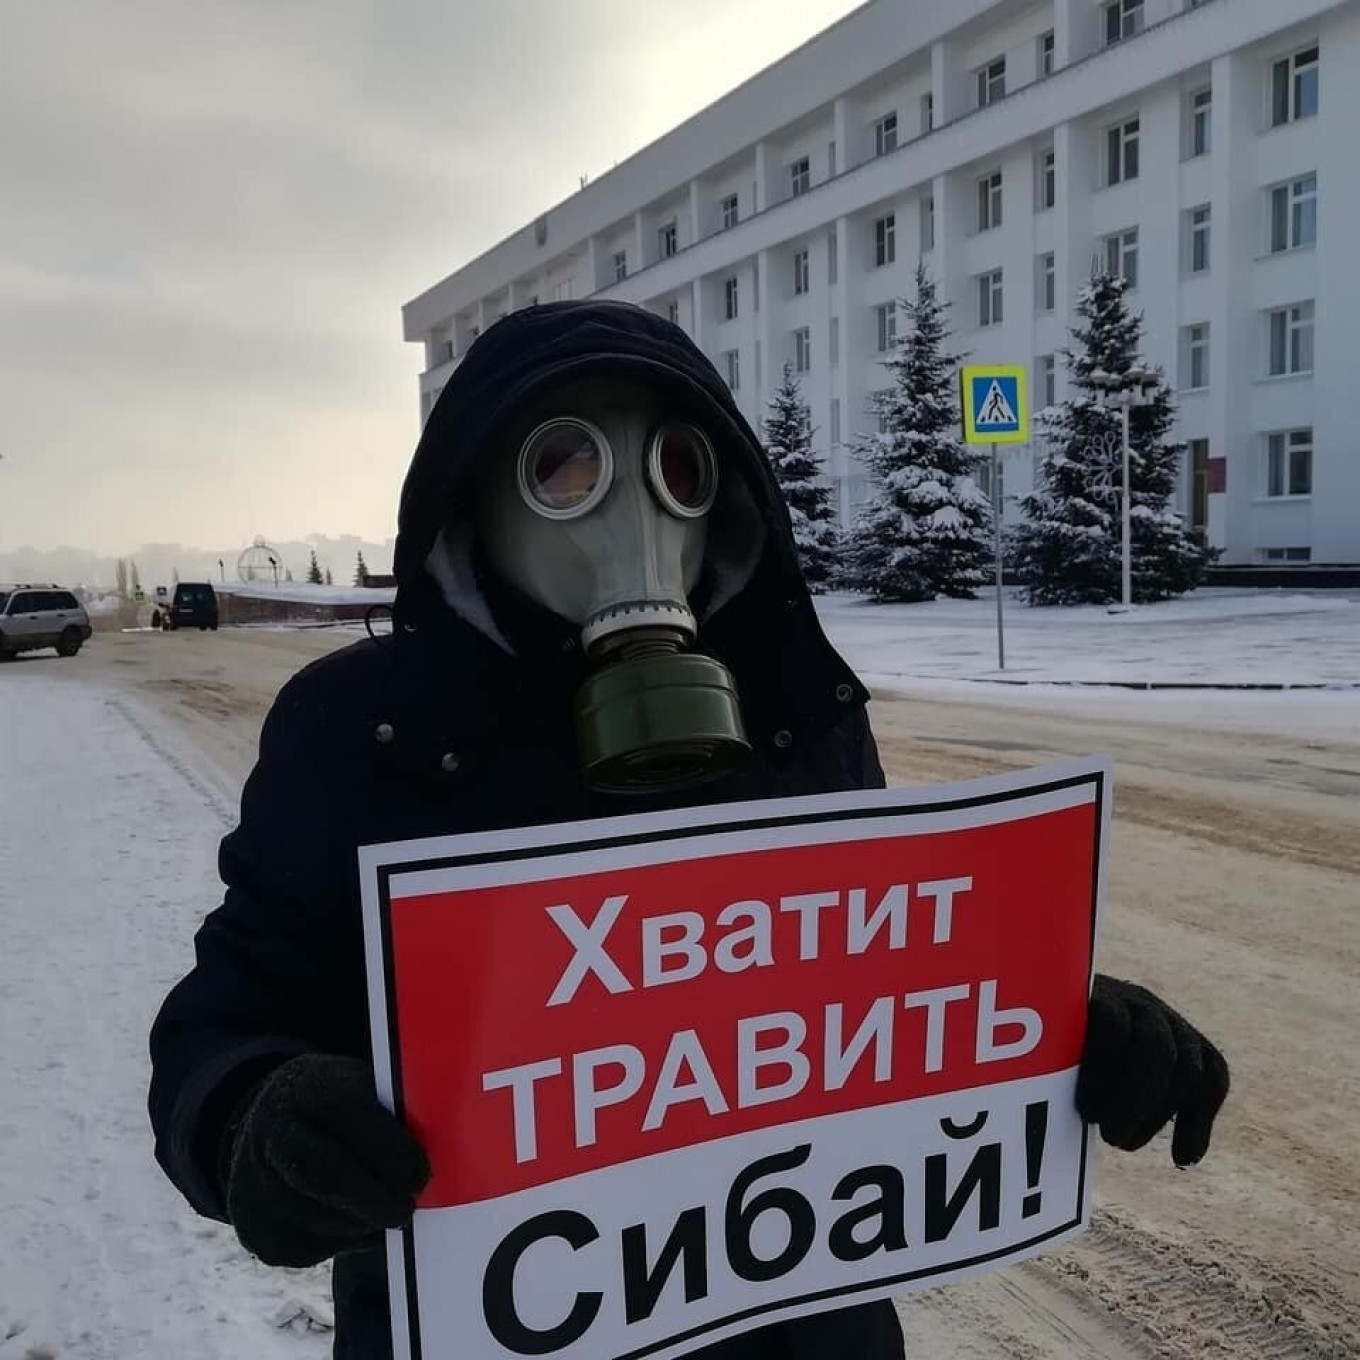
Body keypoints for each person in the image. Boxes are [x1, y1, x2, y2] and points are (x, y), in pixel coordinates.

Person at [149, 301, 1228, 1359]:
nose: (635, 519)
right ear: (477, 497)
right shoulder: (363, 725)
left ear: (726, 502)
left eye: (678, 470)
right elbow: (227, 1018)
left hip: (798, 1319)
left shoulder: (794, 707)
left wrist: (1063, 1032)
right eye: (566, 468)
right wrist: (252, 1118)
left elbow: (883, 987)